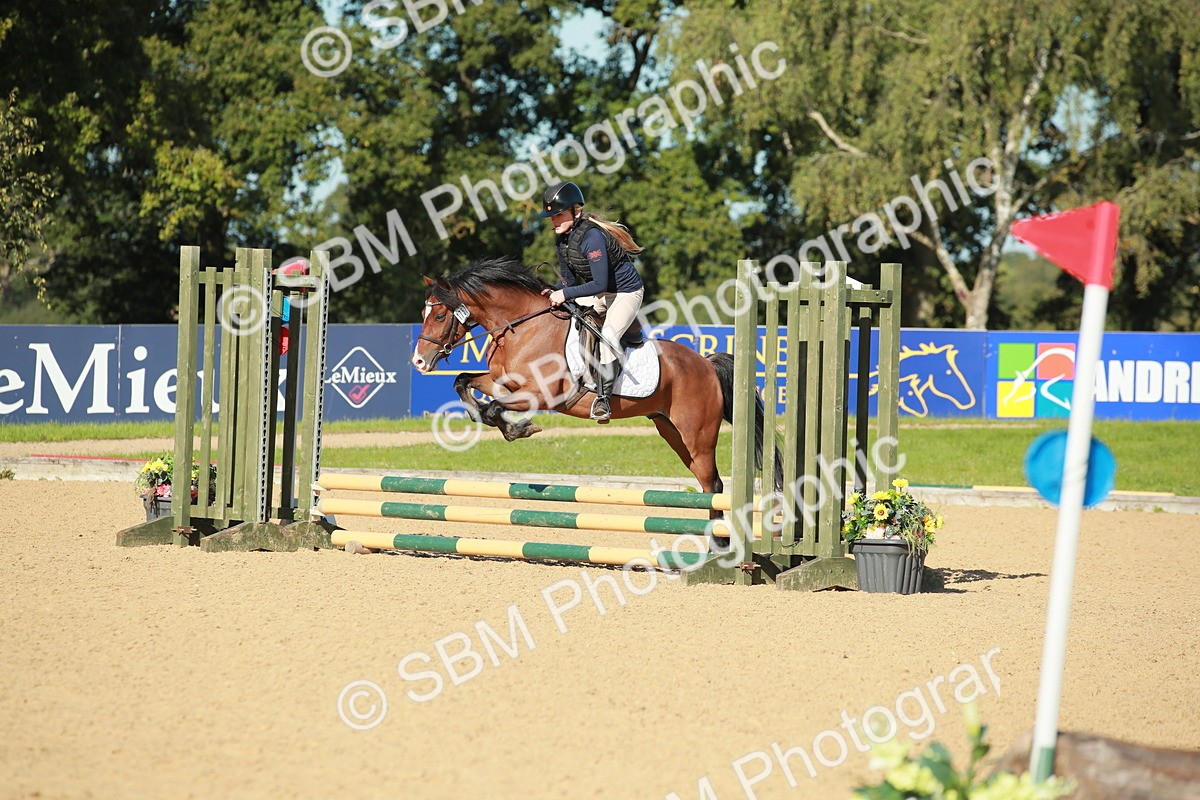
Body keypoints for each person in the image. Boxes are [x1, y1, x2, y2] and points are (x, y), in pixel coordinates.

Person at [540, 181, 645, 422]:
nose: (553, 220)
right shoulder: (563, 241)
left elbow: (598, 284)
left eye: (558, 215)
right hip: (601, 293)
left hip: (625, 293)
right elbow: (568, 281)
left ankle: (604, 399)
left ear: (575, 212)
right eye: (551, 216)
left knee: (608, 333)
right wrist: (552, 291)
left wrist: (565, 294)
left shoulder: (593, 238)